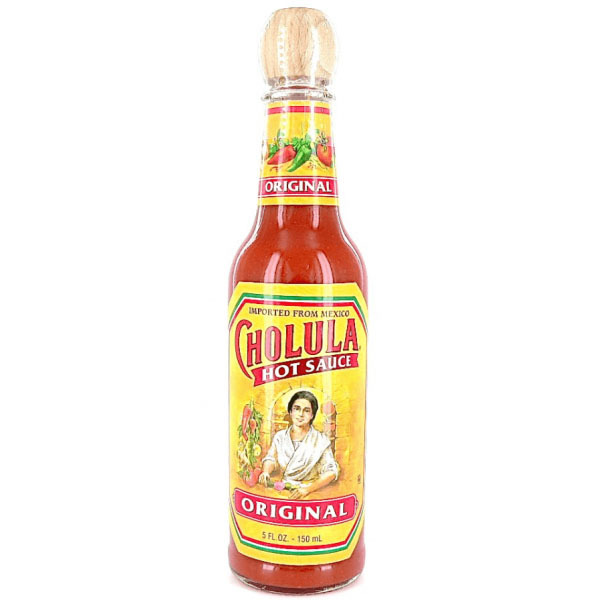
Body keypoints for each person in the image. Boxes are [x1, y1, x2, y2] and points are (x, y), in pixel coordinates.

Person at [259, 391, 339, 499]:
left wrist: (307, 489)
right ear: (290, 412)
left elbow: (331, 471)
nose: (301, 414)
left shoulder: (321, 440)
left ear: (312, 415)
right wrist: (266, 472)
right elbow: (271, 459)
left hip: (311, 493)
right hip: (283, 490)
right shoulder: (280, 437)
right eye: (297, 409)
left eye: (306, 410)